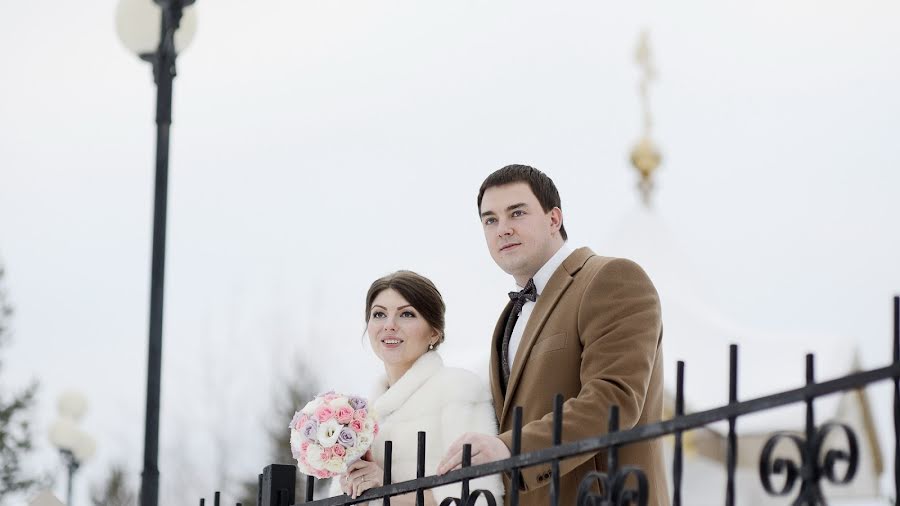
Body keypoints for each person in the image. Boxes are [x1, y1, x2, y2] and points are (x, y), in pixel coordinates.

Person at [437, 165, 668, 506]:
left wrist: (510, 448)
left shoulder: (611, 278)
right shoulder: (509, 317)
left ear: (554, 219)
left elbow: (614, 401)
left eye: (517, 213)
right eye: (490, 220)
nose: (503, 229)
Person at [331, 271, 504, 505]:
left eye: (406, 314)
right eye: (379, 314)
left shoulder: (458, 389)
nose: (389, 325)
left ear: (434, 331)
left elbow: (476, 498)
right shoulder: (361, 418)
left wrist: (387, 489)